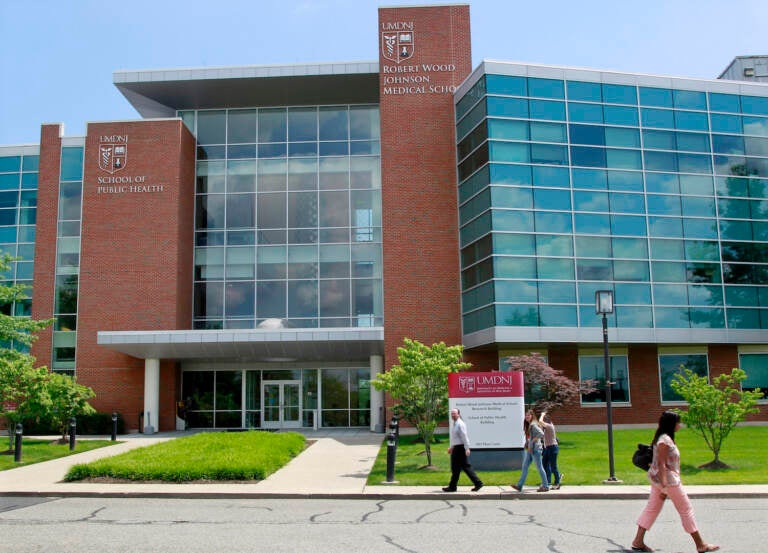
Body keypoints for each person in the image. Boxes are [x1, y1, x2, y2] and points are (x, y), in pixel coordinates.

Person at [631, 410, 719, 553]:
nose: (680, 425)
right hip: (668, 482)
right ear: (672, 423)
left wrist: (662, 487)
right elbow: (662, 464)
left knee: (652, 508)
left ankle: (638, 541)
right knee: (686, 509)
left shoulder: (664, 438)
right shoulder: (664, 441)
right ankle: (700, 544)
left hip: (659, 480)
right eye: (678, 422)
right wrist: (664, 487)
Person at [442, 408, 483, 492]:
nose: (453, 415)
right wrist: (452, 447)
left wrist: (467, 448)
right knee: (456, 468)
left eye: (454, 413)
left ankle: (478, 483)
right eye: (452, 414)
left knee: (464, 467)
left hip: (460, 448)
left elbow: (464, 437)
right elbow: (456, 438)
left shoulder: (460, 424)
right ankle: (453, 486)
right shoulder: (455, 424)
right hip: (457, 448)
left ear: (459, 414)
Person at [512, 409, 549, 492]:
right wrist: (528, 443)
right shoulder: (529, 425)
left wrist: (532, 441)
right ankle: (519, 485)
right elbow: (530, 437)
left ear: (532, 416)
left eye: (528, 415)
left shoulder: (533, 425)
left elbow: (541, 434)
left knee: (539, 467)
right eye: (526, 415)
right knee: (525, 467)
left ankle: (546, 486)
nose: (527, 417)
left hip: (536, 450)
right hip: (530, 449)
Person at [539, 410, 562, 489]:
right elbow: (541, 425)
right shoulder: (546, 427)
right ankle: (547, 481)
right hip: (547, 448)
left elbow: (540, 421)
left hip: (552, 448)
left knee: (553, 466)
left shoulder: (549, 426)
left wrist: (542, 414)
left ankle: (557, 482)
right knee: (544, 464)